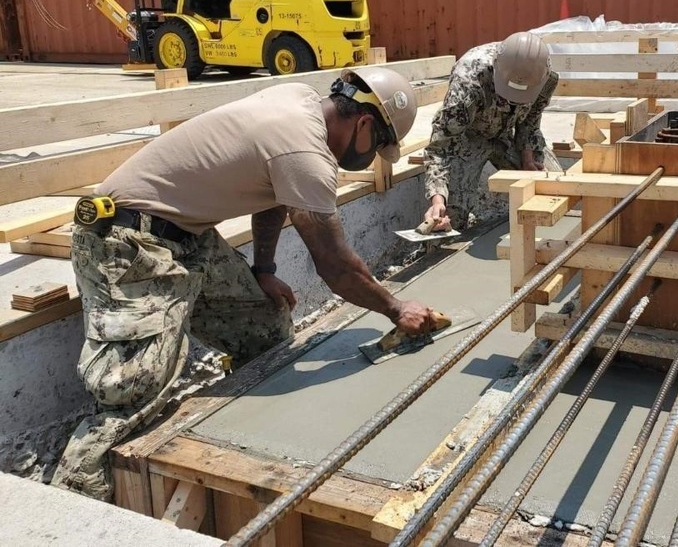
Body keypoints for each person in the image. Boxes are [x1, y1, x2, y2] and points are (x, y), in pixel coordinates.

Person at [51, 67, 438, 501]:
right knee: (133, 389)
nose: (371, 160)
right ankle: (74, 503)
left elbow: (274, 194)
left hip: (183, 234)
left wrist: (265, 269)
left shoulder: (300, 103)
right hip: (125, 241)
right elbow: (334, 265)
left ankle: (241, 436)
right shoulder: (304, 150)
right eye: (378, 148)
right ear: (364, 123)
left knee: (266, 327)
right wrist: (394, 307)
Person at [423, 32, 562, 232]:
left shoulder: (543, 77)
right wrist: (437, 199)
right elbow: (440, 146)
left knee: (556, 189)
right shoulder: (468, 83)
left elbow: (531, 120)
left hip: (506, 137)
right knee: (447, 222)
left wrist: (528, 157)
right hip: (467, 140)